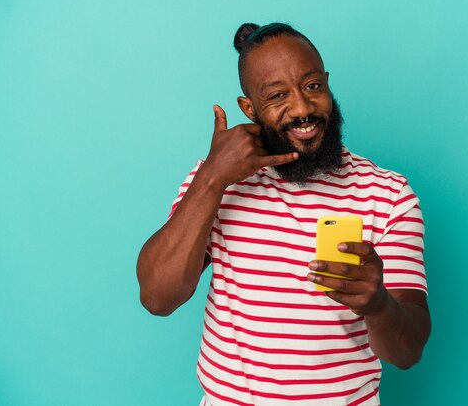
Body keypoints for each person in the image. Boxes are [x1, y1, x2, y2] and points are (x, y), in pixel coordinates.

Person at [137, 22, 431, 406]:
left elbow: (408, 353)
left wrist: (377, 304)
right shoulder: (218, 180)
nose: (303, 108)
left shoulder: (389, 194)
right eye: (277, 95)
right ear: (249, 108)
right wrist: (212, 177)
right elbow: (158, 297)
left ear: (327, 83)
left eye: (312, 87)